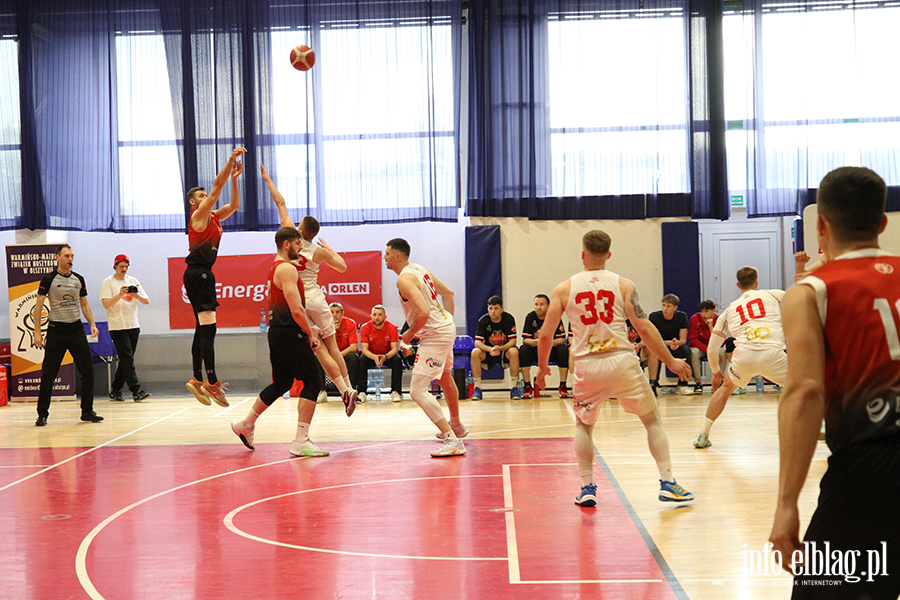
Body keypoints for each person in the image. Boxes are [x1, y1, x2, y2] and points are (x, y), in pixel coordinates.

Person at [770, 166, 900, 597]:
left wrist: (787, 503)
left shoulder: (811, 291)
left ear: (820, 226)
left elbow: (805, 390)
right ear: (883, 223)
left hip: (870, 466)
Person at [535, 230, 694, 506]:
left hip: (587, 364)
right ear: (609, 255)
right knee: (652, 420)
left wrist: (541, 369)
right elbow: (643, 327)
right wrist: (670, 360)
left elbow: (546, 334)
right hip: (622, 361)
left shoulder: (564, 289)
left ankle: (587, 487)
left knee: (584, 426)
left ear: (582, 254)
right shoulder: (623, 285)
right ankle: (668, 481)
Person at [261, 163, 358, 415]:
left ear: (300, 231)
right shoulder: (318, 251)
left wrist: (268, 180)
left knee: (320, 350)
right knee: (333, 347)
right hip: (316, 296)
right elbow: (343, 267)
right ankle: (348, 389)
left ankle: (342, 388)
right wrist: (331, 248)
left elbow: (280, 202)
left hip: (301, 298)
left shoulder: (291, 240)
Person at [231, 227, 329, 457]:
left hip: (278, 332)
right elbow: (295, 310)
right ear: (287, 244)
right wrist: (310, 333)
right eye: (297, 244)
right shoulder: (286, 269)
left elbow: (293, 310)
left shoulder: (277, 268)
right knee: (313, 380)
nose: (300, 248)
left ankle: (245, 424)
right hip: (287, 332)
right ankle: (301, 441)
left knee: (283, 382)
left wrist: (308, 327)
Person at [384, 238, 467, 457]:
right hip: (446, 327)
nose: (385, 257)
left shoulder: (403, 280)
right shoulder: (420, 268)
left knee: (417, 391)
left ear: (397, 256)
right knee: (444, 379)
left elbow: (423, 314)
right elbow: (448, 293)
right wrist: (447, 320)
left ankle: (452, 440)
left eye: (387, 253)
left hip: (436, 334)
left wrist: (408, 336)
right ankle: (456, 425)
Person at [692, 267, 787, 449]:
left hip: (743, 356)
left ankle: (702, 434)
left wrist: (716, 373)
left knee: (725, 389)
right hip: (771, 353)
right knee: (805, 386)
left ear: (738, 285)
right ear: (757, 283)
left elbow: (713, 348)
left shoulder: (728, 311)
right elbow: (801, 300)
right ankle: (822, 423)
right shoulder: (774, 295)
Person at [183, 147, 246, 408]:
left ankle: (197, 378)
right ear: (193, 202)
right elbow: (217, 186)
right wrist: (230, 161)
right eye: (202, 195)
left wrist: (234, 180)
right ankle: (212, 382)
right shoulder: (199, 215)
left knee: (202, 329)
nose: (206, 196)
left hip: (199, 273)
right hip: (200, 273)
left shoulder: (214, 217)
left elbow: (234, 205)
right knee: (209, 330)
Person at [33, 244, 104, 426]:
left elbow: (85, 304)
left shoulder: (78, 279)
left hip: (76, 330)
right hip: (56, 331)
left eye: (72, 256)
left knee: (88, 372)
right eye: (66, 256)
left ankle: (87, 411)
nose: (70, 259)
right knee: (49, 373)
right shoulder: (49, 279)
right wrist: (38, 333)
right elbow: (39, 307)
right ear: (57, 257)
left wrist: (92, 324)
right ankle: (42, 414)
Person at [99, 254, 150, 402]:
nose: (124, 269)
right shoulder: (108, 282)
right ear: (115, 266)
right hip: (117, 326)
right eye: (121, 266)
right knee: (127, 358)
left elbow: (146, 300)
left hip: (133, 325)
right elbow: (106, 304)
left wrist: (136, 295)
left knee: (126, 359)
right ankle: (136, 390)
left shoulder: (133, 281)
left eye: (126, 266)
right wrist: (120, 294)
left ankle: (115, 389)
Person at [470, 296, 522, 401]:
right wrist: (490, 349)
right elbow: (477, 342)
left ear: (501, 310)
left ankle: (514, 388)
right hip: (488, 351)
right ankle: (478, 388)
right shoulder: (483, 320)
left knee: (514, 351)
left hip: (504, 351)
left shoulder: (508, 319)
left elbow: (513, 341)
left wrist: (500, 348)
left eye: (496, 308)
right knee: (475, 352)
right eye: (490, 308)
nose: (493, 311)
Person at [519, 293, 569, 399]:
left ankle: (563, 386)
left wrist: (548, 342)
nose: (538, 307)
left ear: (548, 306)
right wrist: (538, 342)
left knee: (563, 349)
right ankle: (527, 386)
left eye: (541, 304)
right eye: (536, 304)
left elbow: (562, 339)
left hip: (551, 351)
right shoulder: (530, 317)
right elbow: (526, 340)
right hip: (536, 351)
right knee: (523, 350)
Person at [647, 294, 693, 395]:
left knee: (686, 350)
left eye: (668, 306)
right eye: (663, 305)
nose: (665, 309)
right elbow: (652, 340)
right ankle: (654, 383)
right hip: (660, 346)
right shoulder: (654, 317)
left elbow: (683, 339)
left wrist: (676, 343)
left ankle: (683, 384)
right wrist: (669, 343)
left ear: (675, 308)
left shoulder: (682, 316)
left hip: (675, 346)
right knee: (654, 351)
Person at [357, 305, 403, 403]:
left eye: (380, 315)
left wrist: (385, 357)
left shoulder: (392, 327)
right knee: (361, 360)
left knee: (397, 360)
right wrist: (375, 357)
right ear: (371, 316)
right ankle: (361, 392)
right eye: (374, 315)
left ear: (385, 317)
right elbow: (364, 350)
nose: (377, 317)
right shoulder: (365, 327)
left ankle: (396, 392)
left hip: (387, 355)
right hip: (371, 355)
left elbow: (395, 349)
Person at [687, 299, 724, 394]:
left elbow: (721, 341)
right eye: (702, 311)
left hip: (714, 347)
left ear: (713, 311)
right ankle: (698, 383)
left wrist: (711, 326)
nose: (703, 314)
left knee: (722, 352)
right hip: (701, 347)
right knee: (694, 352)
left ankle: (718, 381)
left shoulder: (719, 320)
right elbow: (693, 340)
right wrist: (708, 350)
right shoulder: (695, 318)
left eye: (706, 311)